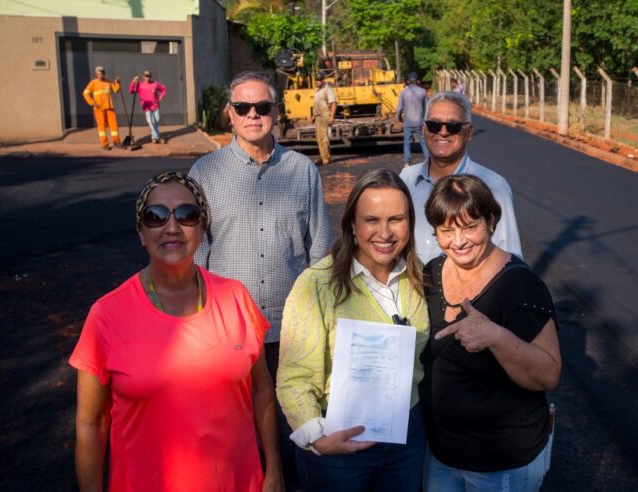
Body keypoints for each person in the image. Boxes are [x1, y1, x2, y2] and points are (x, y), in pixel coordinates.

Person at [69, 171, 282, 491]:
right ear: (141, 232)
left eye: (187, 215)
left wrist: (274, 472)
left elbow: (261, 390)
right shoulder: (107, 314)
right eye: (155, 216)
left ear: (201, 229)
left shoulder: (236, 298)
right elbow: (91, 422)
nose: (172, 227)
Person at [189, 71, 333, 490]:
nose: (254, 115)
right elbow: (196, 252)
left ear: (277, 112)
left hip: (291, 330)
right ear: (229, 115)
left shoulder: (302, 170)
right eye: (243, 107)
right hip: (228, 330)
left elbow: (319, 249)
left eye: (263, 107)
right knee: (234, 431)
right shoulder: (205, 172)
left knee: (297, 432)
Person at [277, 169, 429, 492]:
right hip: (339, 445)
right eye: (371, 220)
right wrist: (317, 437)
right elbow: (294, 378)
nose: (385, 232)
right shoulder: (318, 284)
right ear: (352, 225)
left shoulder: (417, 280)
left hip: (406, 438)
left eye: (396, 219)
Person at [420, 174, 561, 492]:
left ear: (491, 221)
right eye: (447, 230)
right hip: (441, 455)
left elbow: (549, 374)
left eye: (470, 226)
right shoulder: (431, 273)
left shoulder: (522, 287)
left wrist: (496, 337)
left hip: (502, 465)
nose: (459, 241)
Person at [399, 91, 522, 264]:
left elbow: (509, 257)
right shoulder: (406, 180)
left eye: (453, 126)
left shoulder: (492, 186)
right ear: (424, 129)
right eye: (434, 125)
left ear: (469, 132)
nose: (443, 132)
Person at [82, 66, 121, 150]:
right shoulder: (93, 83)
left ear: (104, 74)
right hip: (99, 109)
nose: (100, 75)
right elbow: (85, 93)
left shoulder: (108, 82)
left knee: (114, 125)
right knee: (102, 127)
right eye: (98, 74)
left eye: (101, 73)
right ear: (96, 74)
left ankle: (116, 142)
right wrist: (92, 103)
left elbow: (116, 90)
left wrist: (117, 82)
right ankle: (105, 144)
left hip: (109, 107)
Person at [397, 72, 428, 166]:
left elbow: (399, 108)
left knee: (407, 142)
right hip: (420, 121)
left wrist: (399, 118)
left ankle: (407, 162)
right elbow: (427, 107)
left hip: (408, 122)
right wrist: (425, 119)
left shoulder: (403, 92)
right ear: (418, 81)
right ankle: (428, 160)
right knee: (423, 141)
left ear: (407, 81)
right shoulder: (423, 92)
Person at [129, 70, 167, 144]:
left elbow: (163, 89)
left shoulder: (155, 84)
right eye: (146, 76)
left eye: (149, 76)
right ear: (143, 77)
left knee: (155, 122)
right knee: (151, 122)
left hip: (156, 106)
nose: (147, 78)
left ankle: (154, 138)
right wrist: (133, 81)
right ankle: (158, 138)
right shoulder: (140, 85)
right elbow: (131, 90)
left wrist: (160, 97)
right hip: (147, 107)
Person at [312, 72, 338, 165]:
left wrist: (332, 117)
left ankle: (326, 158)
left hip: (324, 116)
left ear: (323, 80)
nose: (317, 82)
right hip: (318, 116)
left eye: (319, 80)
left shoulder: (328, 89)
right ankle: (323, 156)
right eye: (316, 80)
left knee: (324, 138)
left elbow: (334, 103)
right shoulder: (318, 90)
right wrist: (313, 116)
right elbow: (317, 104)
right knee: (319, 138)